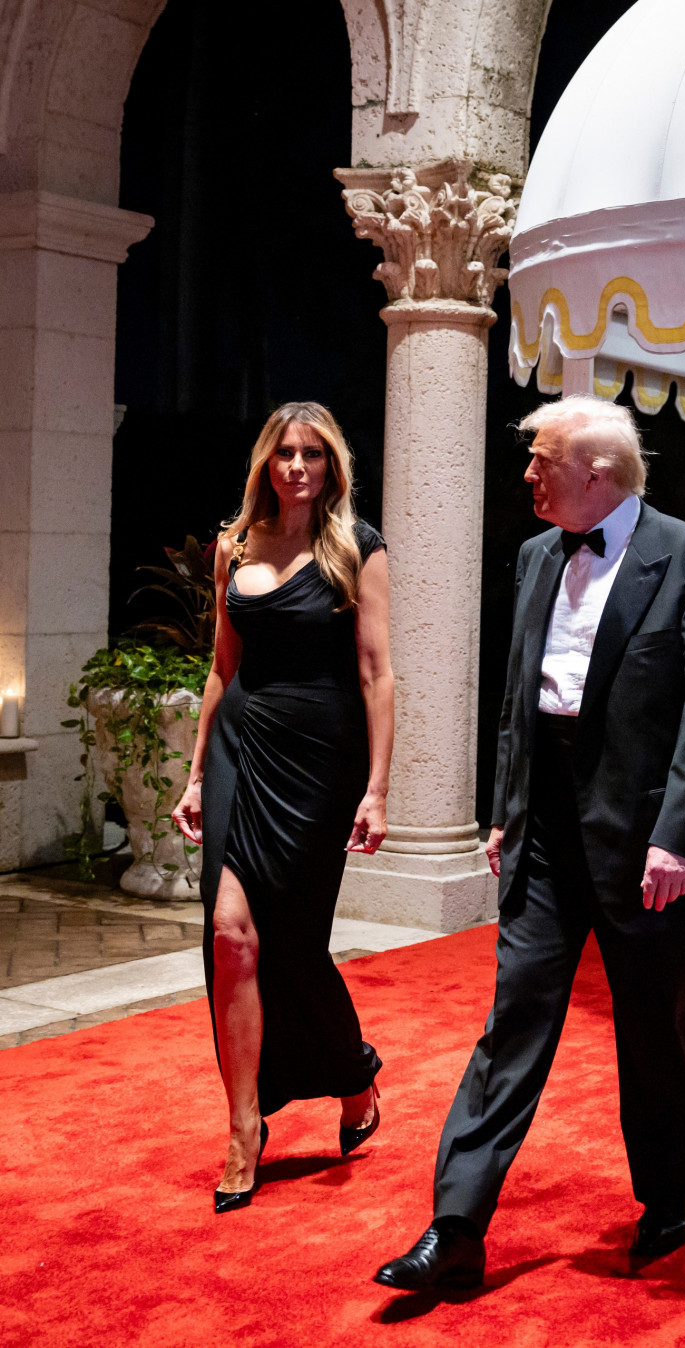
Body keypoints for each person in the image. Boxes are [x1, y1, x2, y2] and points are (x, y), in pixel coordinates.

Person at [374, 395, 685, 1290]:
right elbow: (519, 696)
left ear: (597, 474)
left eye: (543, 460)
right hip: (545, 832)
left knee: (652, 1031)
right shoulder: (537, 554)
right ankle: (456, 1228)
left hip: (645, 842)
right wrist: (507, 805)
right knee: (512, 1026)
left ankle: (665, 1193)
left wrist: (677, 838)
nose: (529, 474)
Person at [173, 401, 393, 1213]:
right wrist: (197, 775)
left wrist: (376, 787)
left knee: (295, 948)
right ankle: (242, 1128)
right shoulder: (234, 544)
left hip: (322, 762)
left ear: (333, 465)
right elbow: (221, 668)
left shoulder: (356, 550)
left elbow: (378, 674)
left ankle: (352, 1071)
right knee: (230, 934)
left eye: (313, 454)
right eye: (284, 453)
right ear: (267, 462)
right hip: (241, 746)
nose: (297, 466)